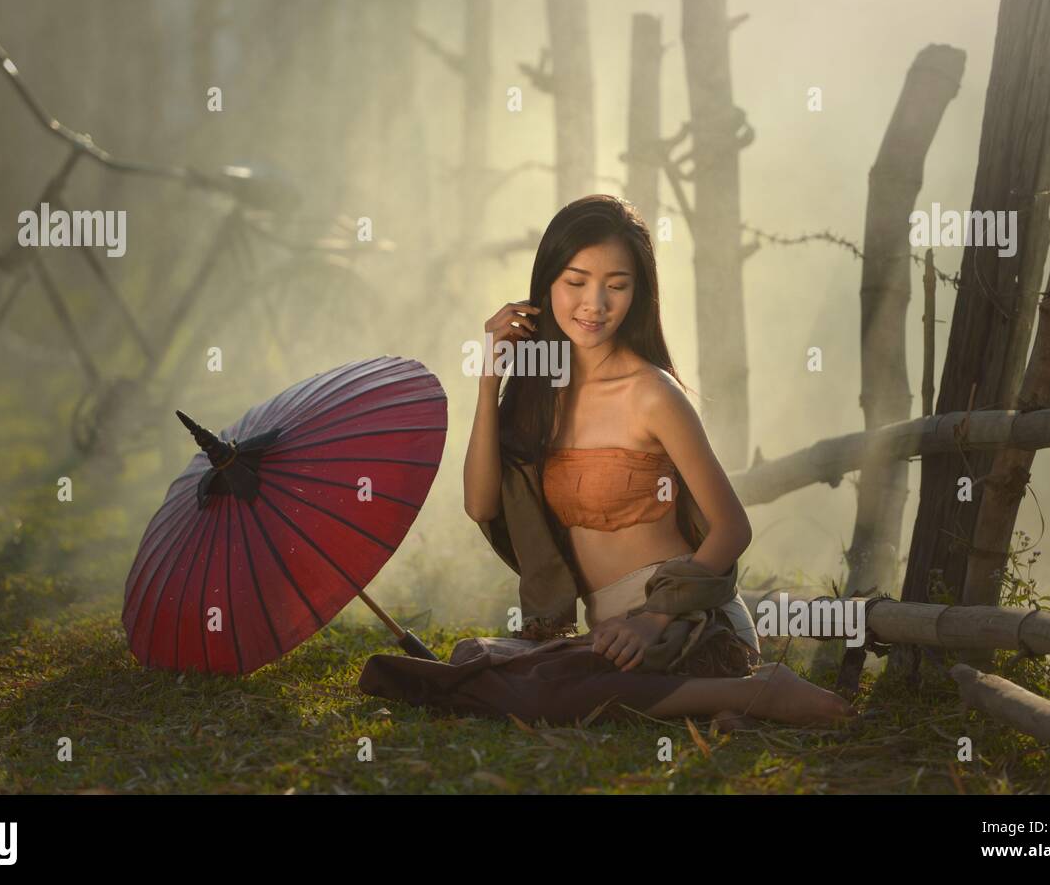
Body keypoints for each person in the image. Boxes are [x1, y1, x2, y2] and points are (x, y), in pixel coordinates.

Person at [360, 194, 857, 731]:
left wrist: (654, 617)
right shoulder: (538, 397)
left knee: (536, 697)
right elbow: (480, 503)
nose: (595, 303)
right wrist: (488, 380)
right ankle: (719, 704)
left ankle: (757, 691)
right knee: (476, 661)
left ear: (637, 293)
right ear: (546, 284)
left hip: (686, 621)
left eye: (616, 285)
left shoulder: (652, 393)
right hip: (610, 638)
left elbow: (732, 527)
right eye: (576, 282)